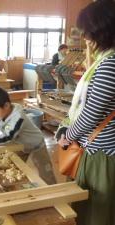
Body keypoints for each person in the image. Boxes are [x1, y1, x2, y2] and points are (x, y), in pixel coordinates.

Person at [57, 1, 115, 225]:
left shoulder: (109, 64)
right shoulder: (106, 60)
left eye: (88, 32)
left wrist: (67, 136)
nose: (85, 38)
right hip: (100, 148)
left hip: (101, 152)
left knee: (96, 212)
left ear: (102, 30)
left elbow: (91, 115)